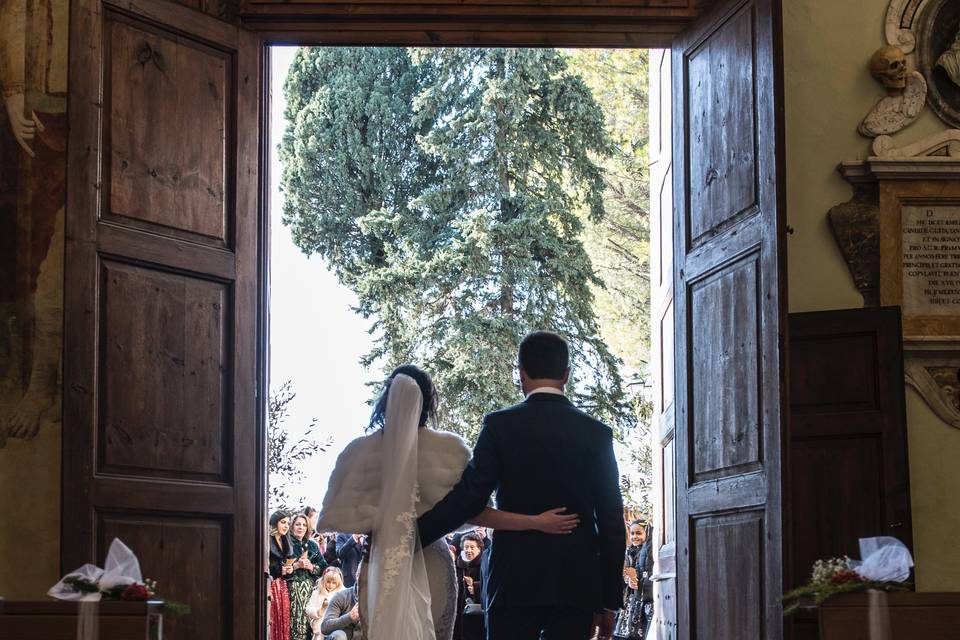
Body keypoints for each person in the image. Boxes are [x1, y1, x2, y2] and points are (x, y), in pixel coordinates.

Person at [315, 364, 580, 640]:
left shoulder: (359, 453)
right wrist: (535, 522)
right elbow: (479, 513)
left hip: (381, 566)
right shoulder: (449, 450)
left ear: (388, 397)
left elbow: (332, 520)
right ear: (429, 400)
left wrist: (380, 533)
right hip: (434, 565)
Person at [418, 331, 626, 640]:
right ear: (566, 374)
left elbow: (469, 498)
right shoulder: (596, 434)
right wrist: (609, 603)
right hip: (576, 585)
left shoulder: (500, 426)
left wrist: (414, 535)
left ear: (521, 374)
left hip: (513, 581)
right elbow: (611, 521)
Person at [613, 521, 654, 640]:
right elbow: (622, 572)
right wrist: (627, 579)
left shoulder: (649, 551)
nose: (634, 536)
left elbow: (648, 572)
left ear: (646, 533)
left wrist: (638, 580)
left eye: (638, 533)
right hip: (629, 599)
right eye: (632, 533)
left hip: (642, 597)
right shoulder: (627, 552)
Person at [289, 514, 326, 640]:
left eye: (304, 525)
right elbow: (277, 567)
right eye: (298, 524)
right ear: (292, 526)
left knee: (310, 623)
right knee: (294, 623)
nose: (301, 527)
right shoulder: (285, 543)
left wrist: (311, 567)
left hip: (311, 591)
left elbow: (323, 566)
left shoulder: (312, 545)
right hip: (290, 590)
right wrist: (296, 565)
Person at [269, 510, 296, 640]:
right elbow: (266, 565)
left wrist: (289, 569)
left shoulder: (286, 540)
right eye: (283, 522)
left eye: (288, 523)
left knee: (283, 618)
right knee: (273, 619)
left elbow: (286, 561)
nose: (286, 526)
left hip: (282, 585)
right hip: (270, 584)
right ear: (275, 522)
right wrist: (281, 569)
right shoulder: (267, 539)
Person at [454, 533, 485, 640]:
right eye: (466, 547)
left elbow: (488, 585)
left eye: (472, 547)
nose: (469, 550)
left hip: (477, 610)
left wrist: (475, 587)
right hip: (458, 606)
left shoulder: (484, 563)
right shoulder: (458, 563)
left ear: (479, 549)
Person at [306, 566, 345, 640]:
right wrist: (320, 610)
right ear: (324, 580)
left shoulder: (341, 594)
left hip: (333, 630)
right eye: (328, 582)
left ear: (338, 583)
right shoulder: (317, 593)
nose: (330, 585)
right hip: (318, 631)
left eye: (334, 583)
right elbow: (308, 609)